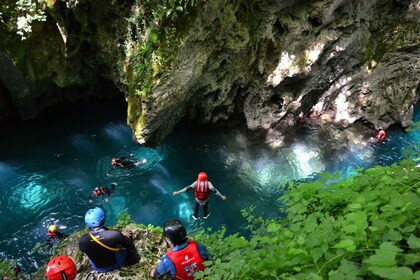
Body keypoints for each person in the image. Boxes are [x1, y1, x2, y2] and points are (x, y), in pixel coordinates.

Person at [78, 207, 140, 272]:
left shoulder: (82, 240)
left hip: (98, 268)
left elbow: (85, 251)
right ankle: (133, 261)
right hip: (116, 264)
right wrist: (126, 236)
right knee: (126, 243)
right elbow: (128, 244)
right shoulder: (114, 234)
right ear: (103, 220)